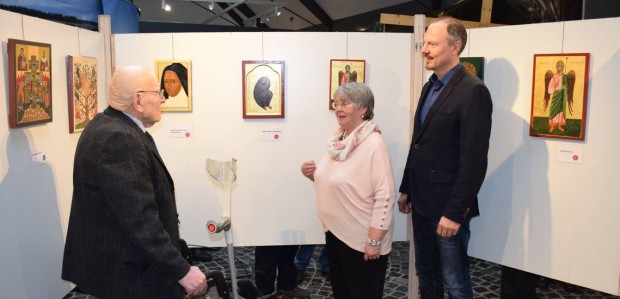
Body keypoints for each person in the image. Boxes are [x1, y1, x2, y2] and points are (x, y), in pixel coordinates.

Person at [62, 65, 207, 299]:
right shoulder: (121, 139)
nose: (162, 100)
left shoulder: (101, 124)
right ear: (138, 100)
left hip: (114, 264)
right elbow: (139, 220)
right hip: (129, 273)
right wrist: (181, 271)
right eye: (157, 93)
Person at [397, 17, 493, 298]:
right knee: (427, 273)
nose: (424, 49)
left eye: (432, 43)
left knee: (454, 282)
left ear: (455, 46)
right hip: (422, 203)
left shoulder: (473, 91)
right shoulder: (430, 86)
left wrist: (454, 214)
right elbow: (419, 143)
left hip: (447, 212)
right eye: (423, 43)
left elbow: (474, 161)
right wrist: (406, 187)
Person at [301, 82, 395, 298]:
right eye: (337, 103)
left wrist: (374, 241)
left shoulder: (373, 144)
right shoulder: (339, 142)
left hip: (361, 241)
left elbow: (386, 196)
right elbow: (344, 183)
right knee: (342, 292)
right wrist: (313, 175)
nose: (338, 108)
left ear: (363, 108)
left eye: (345, 103)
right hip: (335, 234)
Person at [544, 60, 573, 133]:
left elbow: (567, 87)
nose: (560, 67)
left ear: (563, 67)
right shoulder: (554, 77)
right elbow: (550, 88)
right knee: (553, 109)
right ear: (557, 67)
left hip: (562, 96)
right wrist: (557, 89)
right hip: (556, 95)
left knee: (561, 110)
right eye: (559, 66)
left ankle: (559, 125)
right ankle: (552, 125)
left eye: (561, 66)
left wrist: (565, 87)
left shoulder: (565, 77)